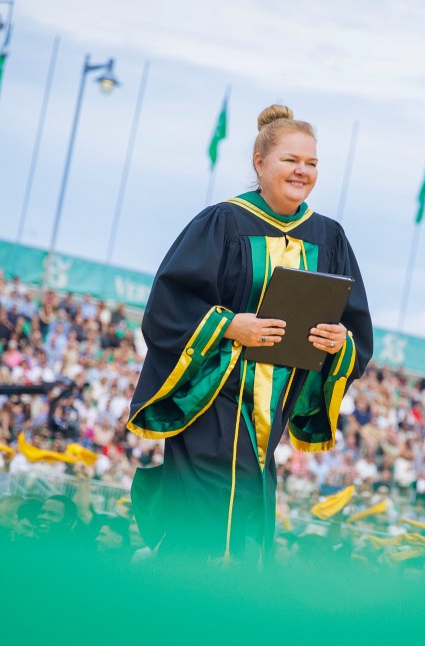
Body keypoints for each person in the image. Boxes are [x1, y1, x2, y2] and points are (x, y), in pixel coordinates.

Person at [127, 104, 372, 561]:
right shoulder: (223, 223)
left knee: (248, 505)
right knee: (210, 510)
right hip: (215, 393)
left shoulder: (329, 238)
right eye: (291, 160)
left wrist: (339, 343)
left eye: (312, 163)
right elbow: (167, 308)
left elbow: (354, 327)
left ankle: (220, 603)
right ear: (260, 163)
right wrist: (229, 324)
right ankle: (192, 599)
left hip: (272, 405)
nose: (302, 171)